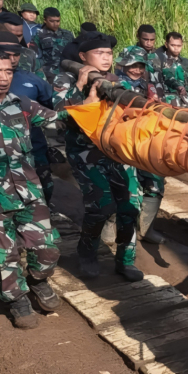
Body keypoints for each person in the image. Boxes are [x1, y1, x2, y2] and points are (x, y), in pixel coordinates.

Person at [53, 32, 144, 282]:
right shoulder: (66, 80)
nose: (106, 57)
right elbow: (59, 122)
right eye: (99, 53)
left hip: (116, 151)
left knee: (130, 206)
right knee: (101, 206)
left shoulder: (116, 80)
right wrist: (84, 96)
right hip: (86, 153)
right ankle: (87, 254)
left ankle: (125, 261)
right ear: (83, 56)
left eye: (109, 53)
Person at [0, 52, 70, 329]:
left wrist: (88, 103)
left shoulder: (22, 105)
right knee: (4, 259)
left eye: (7, 72)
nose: (3, 78)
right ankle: (16, 300)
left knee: (48, 251)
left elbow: (58, 119)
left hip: (29, 194)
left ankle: (37, 281)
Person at [114, 47, 165, 244]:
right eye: (132, 66)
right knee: (126, 189)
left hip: (147, 141)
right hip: (124, 143)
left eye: (140, 66)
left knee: (155, 183)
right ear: (124, 64)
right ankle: (116, 232)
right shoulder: (115, 84)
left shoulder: (149, 85)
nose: (136, 70)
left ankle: (146, 228)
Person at [1, 32, 55, 205]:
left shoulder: (32, 81)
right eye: (7, 54)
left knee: (44, 187)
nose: (13, 58)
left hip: (32, 148)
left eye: (16, 54)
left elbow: (51, 110)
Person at [115, 24, 164, 100]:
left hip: (154, 93)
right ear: (138, 37)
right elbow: (118, 71)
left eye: (152, 40)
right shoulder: (129, 51)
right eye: (145, 39)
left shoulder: (157, 55)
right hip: (133, 90)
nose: (149, 43)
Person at [30, 7, 74, 83]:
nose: (55, 24)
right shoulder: (38, 35)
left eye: (58, 21)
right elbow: (35, 57)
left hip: (68, 73)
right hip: (48, 75)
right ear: (44, 20)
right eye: (52, 21)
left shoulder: (67, 34)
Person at [156, 32, 188, 108]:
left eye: (179, 46)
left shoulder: (185, 62)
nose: (176, 48)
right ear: (166, 44)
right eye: (173, 45)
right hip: (166, 101)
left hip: (184, 101)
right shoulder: (159, 60)